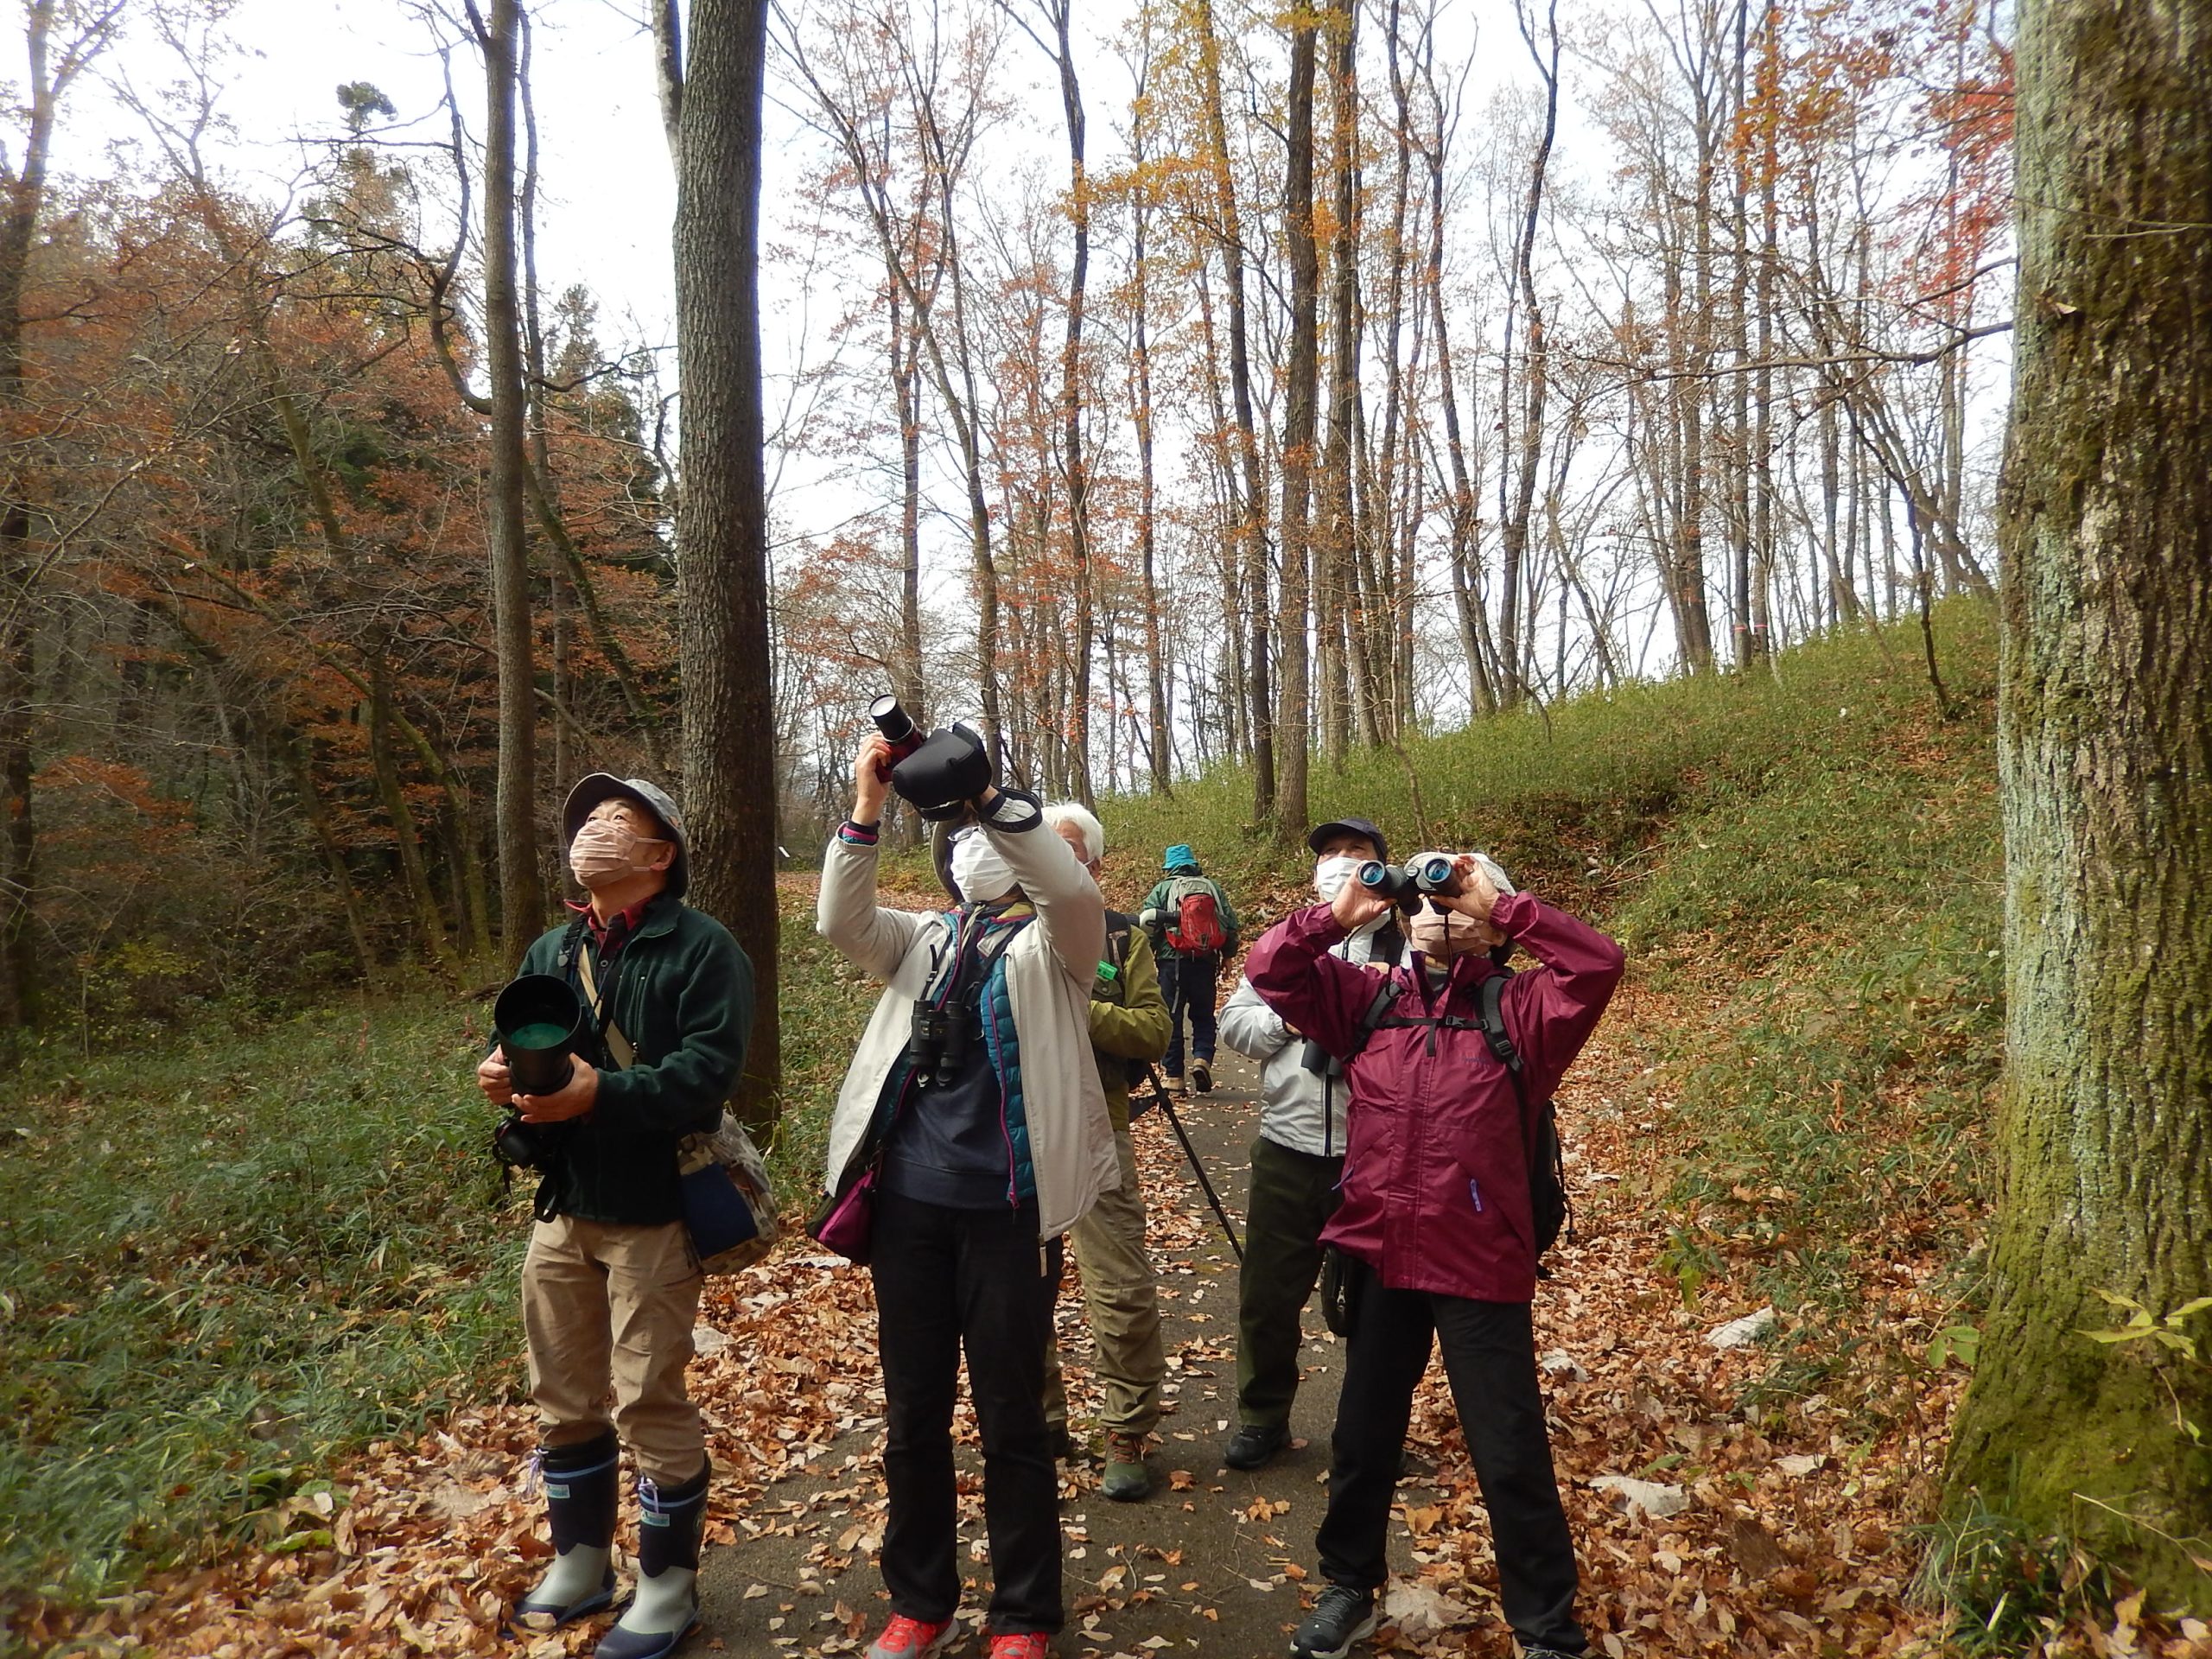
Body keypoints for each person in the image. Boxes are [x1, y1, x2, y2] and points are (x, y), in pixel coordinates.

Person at [1246, 850, 1623, 1659]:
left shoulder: (1522, 1010)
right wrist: (1339, 916)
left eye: (1455, 896)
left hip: (1477, 1258)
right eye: (1424, 899)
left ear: (1490, 917)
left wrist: (1506, 907)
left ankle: (1547, 1628)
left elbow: (1599, 963)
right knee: (1362, 1435)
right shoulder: (1369, 1000)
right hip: (1381, 1253)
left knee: (1509, 1445)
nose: (1435, 909)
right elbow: (1270, 970)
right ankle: (1350, 1584)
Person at [818, 734, 1121, 1659]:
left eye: (990, 833)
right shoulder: (928, 938)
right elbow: (840, 919)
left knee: (1010, 1416)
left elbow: (1066, 891)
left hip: (1007, 1213)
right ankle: (921, 1600)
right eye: (967, 832)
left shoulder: (1059, 946)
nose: (975, 846)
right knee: (912, 1414)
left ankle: (1023, 1614)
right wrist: (868, 805)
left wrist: (988, 794)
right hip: (907, 1208)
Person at [476, 774, 753, 1659]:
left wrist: (604, 1093)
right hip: (564, 1207)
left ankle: (667, 1587)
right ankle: (582, 1560)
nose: (591, 832)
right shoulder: (552, 948)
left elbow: (708, 1073)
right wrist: (500, 1076)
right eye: (585, 821)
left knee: (648, 1400)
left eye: (615, 822)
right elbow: (519, 1045)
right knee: (560, 1395)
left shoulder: (703, 948)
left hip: (654, 1212)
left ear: (659, 853)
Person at [1214, 817, 1406, 1472]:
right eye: (1330, 853)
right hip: (1288, 1145)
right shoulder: (1288, 944)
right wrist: (1293, 1015)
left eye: (1357, 853)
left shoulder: (1410, 945)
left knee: (1382, 1307)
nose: (1342, 863)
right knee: (1268, 1293)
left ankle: (1373, 1431)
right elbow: (1236, 1024)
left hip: (1378, 1156)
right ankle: (1262, 1415)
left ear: (1383, 867)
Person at [1038, 802, 1172, 1502]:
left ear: (1094, 864)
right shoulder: (1004, 931)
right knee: (1019, 1290)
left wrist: (1074, 1004)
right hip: (1009, 1135)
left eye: (1069, 852)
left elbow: (1153, 1033)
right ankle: (1044, 1422)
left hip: (1097, 1128)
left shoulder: (1124, 941)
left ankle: (1126, 1430)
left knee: (1118, 1286)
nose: (1057, 863)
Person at [1138, 844, 1239, 1094]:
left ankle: (1174, 1078)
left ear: (1169, 867)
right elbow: (1230, 923)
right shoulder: (1212, 887)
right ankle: (1202, 1059)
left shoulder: (1162, 889)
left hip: (1172, 964)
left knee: (1170, 1018)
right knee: (1204, 1015)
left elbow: (1147, 926)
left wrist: (1145, 957)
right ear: (1193, 864)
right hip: (1205, 962)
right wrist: (1228, 956)